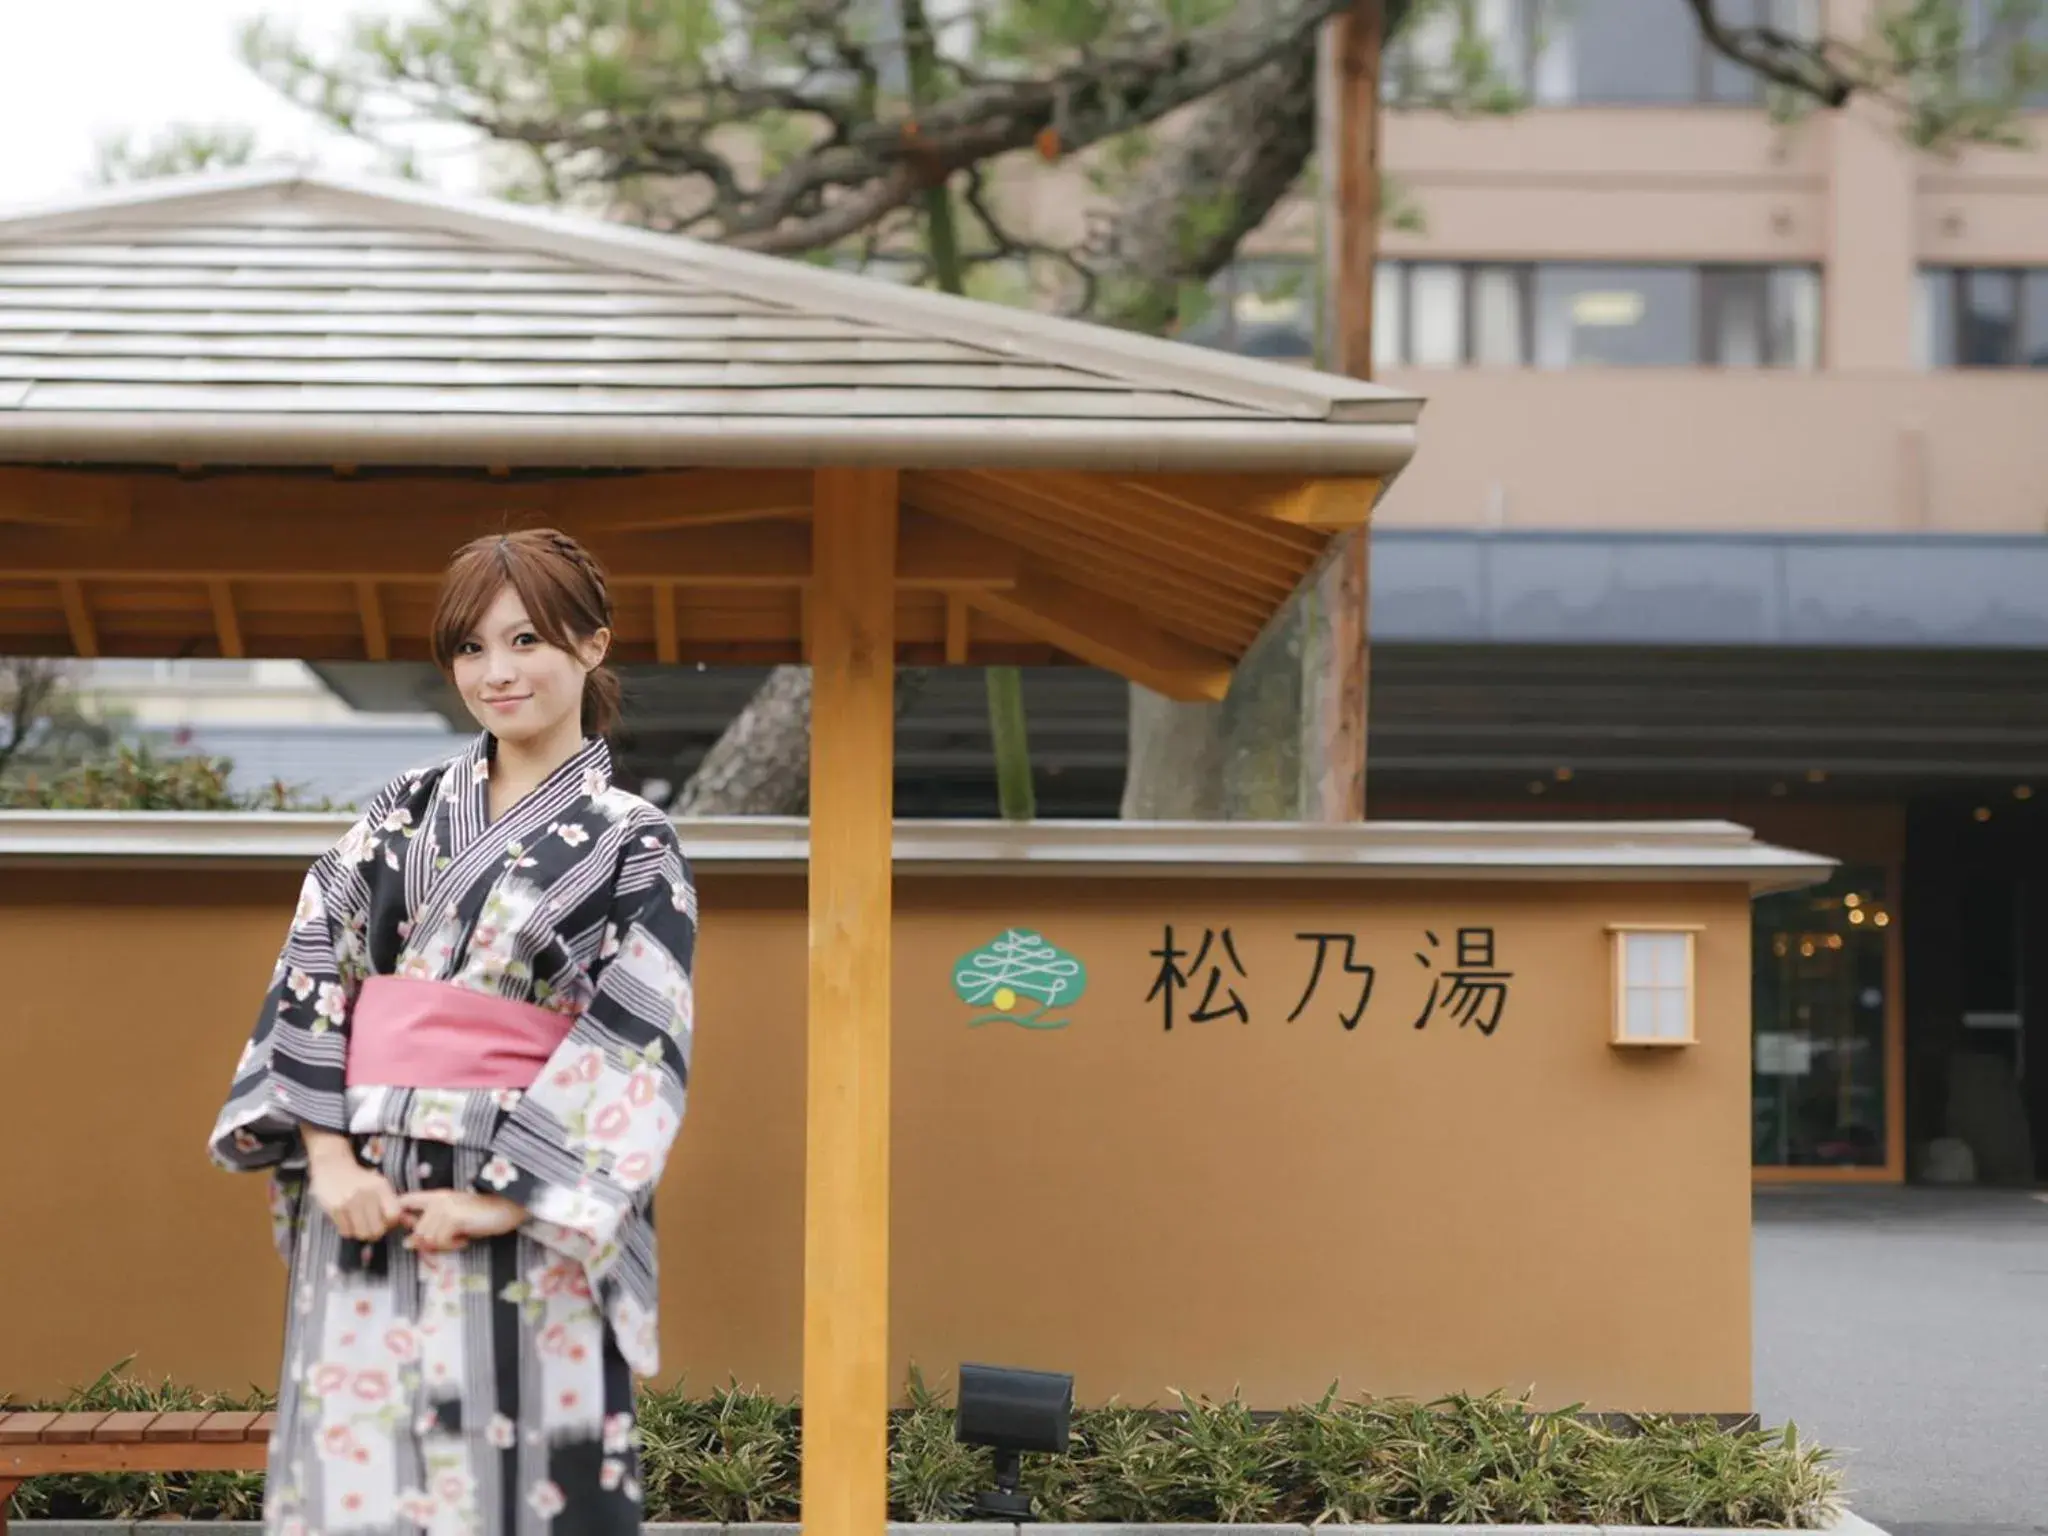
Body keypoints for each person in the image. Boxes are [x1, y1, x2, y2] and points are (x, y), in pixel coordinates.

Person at [209, 528, 698, 1536]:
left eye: (526, 642)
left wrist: (504, 1204)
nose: (497, 672)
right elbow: (313, 970)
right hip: (370, 1202)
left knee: (519, 1469)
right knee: (358, 1475)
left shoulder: (632, 840)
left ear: (591, 647)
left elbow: (633, 1037)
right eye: (470, 649)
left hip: (525, 1203)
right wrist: (332, 1163)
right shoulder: (398, 814)